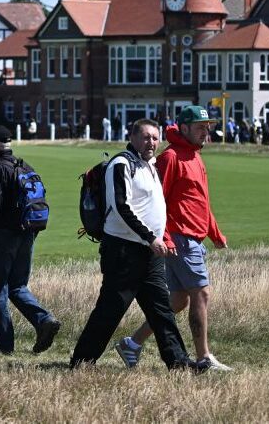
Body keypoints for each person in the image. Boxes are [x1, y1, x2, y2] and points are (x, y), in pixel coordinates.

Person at [70, 120, 202, 371]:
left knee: (161, 309)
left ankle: (179, 362)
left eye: (155, 138)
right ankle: (82, 362)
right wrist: (150, 237)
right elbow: (121, 208)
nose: (151, 142)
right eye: (146, 137)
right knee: (111, 309)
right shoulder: (121, 164)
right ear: (132, 137)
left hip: (149, 252)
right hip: (123, 252)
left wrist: (160, 237)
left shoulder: (150, 165)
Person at [124, 105, 231, 371]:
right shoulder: (170, 157)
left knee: (178, 300)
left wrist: (214, 232)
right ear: (183, 129)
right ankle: (204, 356)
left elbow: (202, 202)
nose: (205, 132)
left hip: (194, 237)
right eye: (199, 128)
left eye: (207, 127)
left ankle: (132, 344)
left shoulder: (195, 156)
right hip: (180, 238)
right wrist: (166, 238)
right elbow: (157, 203)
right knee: (201, 293)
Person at [0, 125, 60, 355]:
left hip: (3, 237)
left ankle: (4, 344)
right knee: (17, 286)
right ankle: (44, 320)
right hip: (27, 234)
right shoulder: (25, 166)